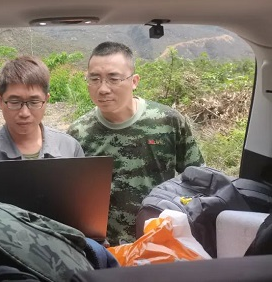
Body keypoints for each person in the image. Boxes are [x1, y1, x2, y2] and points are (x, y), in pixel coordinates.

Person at [67, 41, 205, 245]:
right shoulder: (79, 133)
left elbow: (196, 180)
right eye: (94, 79)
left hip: (160, 240)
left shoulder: (167, 121)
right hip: (106, 247)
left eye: (113, 79)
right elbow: (73, 200)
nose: (103, 89)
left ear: (134, 81)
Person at [0, 55, 84, 221]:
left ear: (46, 100)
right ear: (0, 101)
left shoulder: (70, 148)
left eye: (34, 102)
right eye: (14, 102)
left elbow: (83, 210)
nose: (24, 113)